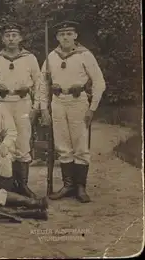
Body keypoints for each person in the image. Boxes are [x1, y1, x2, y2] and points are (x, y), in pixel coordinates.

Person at [38, 20, 106, 203]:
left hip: (78, 102)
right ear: (57, 37)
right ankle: (68, 185)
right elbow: (42, 85)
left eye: (69, 33)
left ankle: (80, 187)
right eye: (62, 34)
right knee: (62, 145)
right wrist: (44, 109)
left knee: (80, 146)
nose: (65, 37)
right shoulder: (51, 56)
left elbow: (99, 82)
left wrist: (92, 108)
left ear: (75, 36)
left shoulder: (85, 55)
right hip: (58, 102)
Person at [0, 22, 42, 198]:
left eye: (14, 35)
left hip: (23, 102)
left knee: (23, 141)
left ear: (20, 38)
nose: (11, 39)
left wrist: (36, 107)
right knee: (4, 142)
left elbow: (39, 84)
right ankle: (6, 184)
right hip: (2, 103)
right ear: (2, 39)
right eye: (7, 36)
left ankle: (22, 184)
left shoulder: (30, 58)